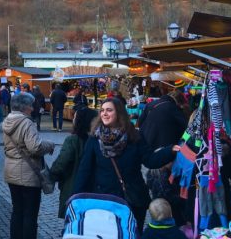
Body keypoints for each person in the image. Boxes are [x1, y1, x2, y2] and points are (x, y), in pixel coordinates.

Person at [73, 97, 179, 230]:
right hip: (106, 200)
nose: (104, 114)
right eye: (102, 111)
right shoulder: (94, 139)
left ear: (119, 113)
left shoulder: (135, 136)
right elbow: (84, 170)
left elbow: (150, 160)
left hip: (132, 199)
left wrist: (170, 151)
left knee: (132, 238)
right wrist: (76, 197)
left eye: (109, 110)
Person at [3, 92, 55, 239]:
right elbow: (35, 147)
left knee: (17, 212)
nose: (33, 108)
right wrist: (50, 144)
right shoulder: (26, 123)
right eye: (31, 105)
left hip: (11, 171)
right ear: (25, 106)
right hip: (28, 174)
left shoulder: (8, 120)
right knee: (30, 215)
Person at [50, 107, 98, 218]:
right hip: (95, 190)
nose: (73, 119)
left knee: (74, 222)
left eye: (75, 117)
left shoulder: (73, 140)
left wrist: (52, 175)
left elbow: (62, 163)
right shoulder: (98, 140)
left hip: (73, 187)